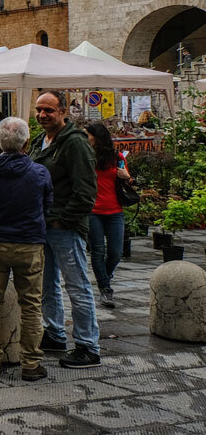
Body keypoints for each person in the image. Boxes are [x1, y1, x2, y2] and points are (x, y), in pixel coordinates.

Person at [0, 117, 53, 381]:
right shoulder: (39, 172)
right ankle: (30, 363)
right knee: (31, 306)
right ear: (26, 142)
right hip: (29, 244)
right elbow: (48, 209)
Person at [30, 90, 102, 369]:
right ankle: (55, 333)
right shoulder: (41, 140)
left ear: (63, 111)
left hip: (64, 227)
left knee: (77, 286)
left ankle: (87, 346)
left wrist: (65, 220)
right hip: (44, 224)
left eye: (48, 110)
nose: (42, 115)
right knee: (46, 284)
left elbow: (86, 191)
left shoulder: (75, 143)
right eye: (39, 110)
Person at [85, 121, 130, 309]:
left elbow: (128, 178)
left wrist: (126, 176)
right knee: (98, 251)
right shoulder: (85, 156)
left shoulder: (117, 157)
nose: (84, 138)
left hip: (115, 211)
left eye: (87, 135)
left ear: (97, 137)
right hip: (93, 211)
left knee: (116, 252)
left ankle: (105, 276)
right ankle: (105, 288)